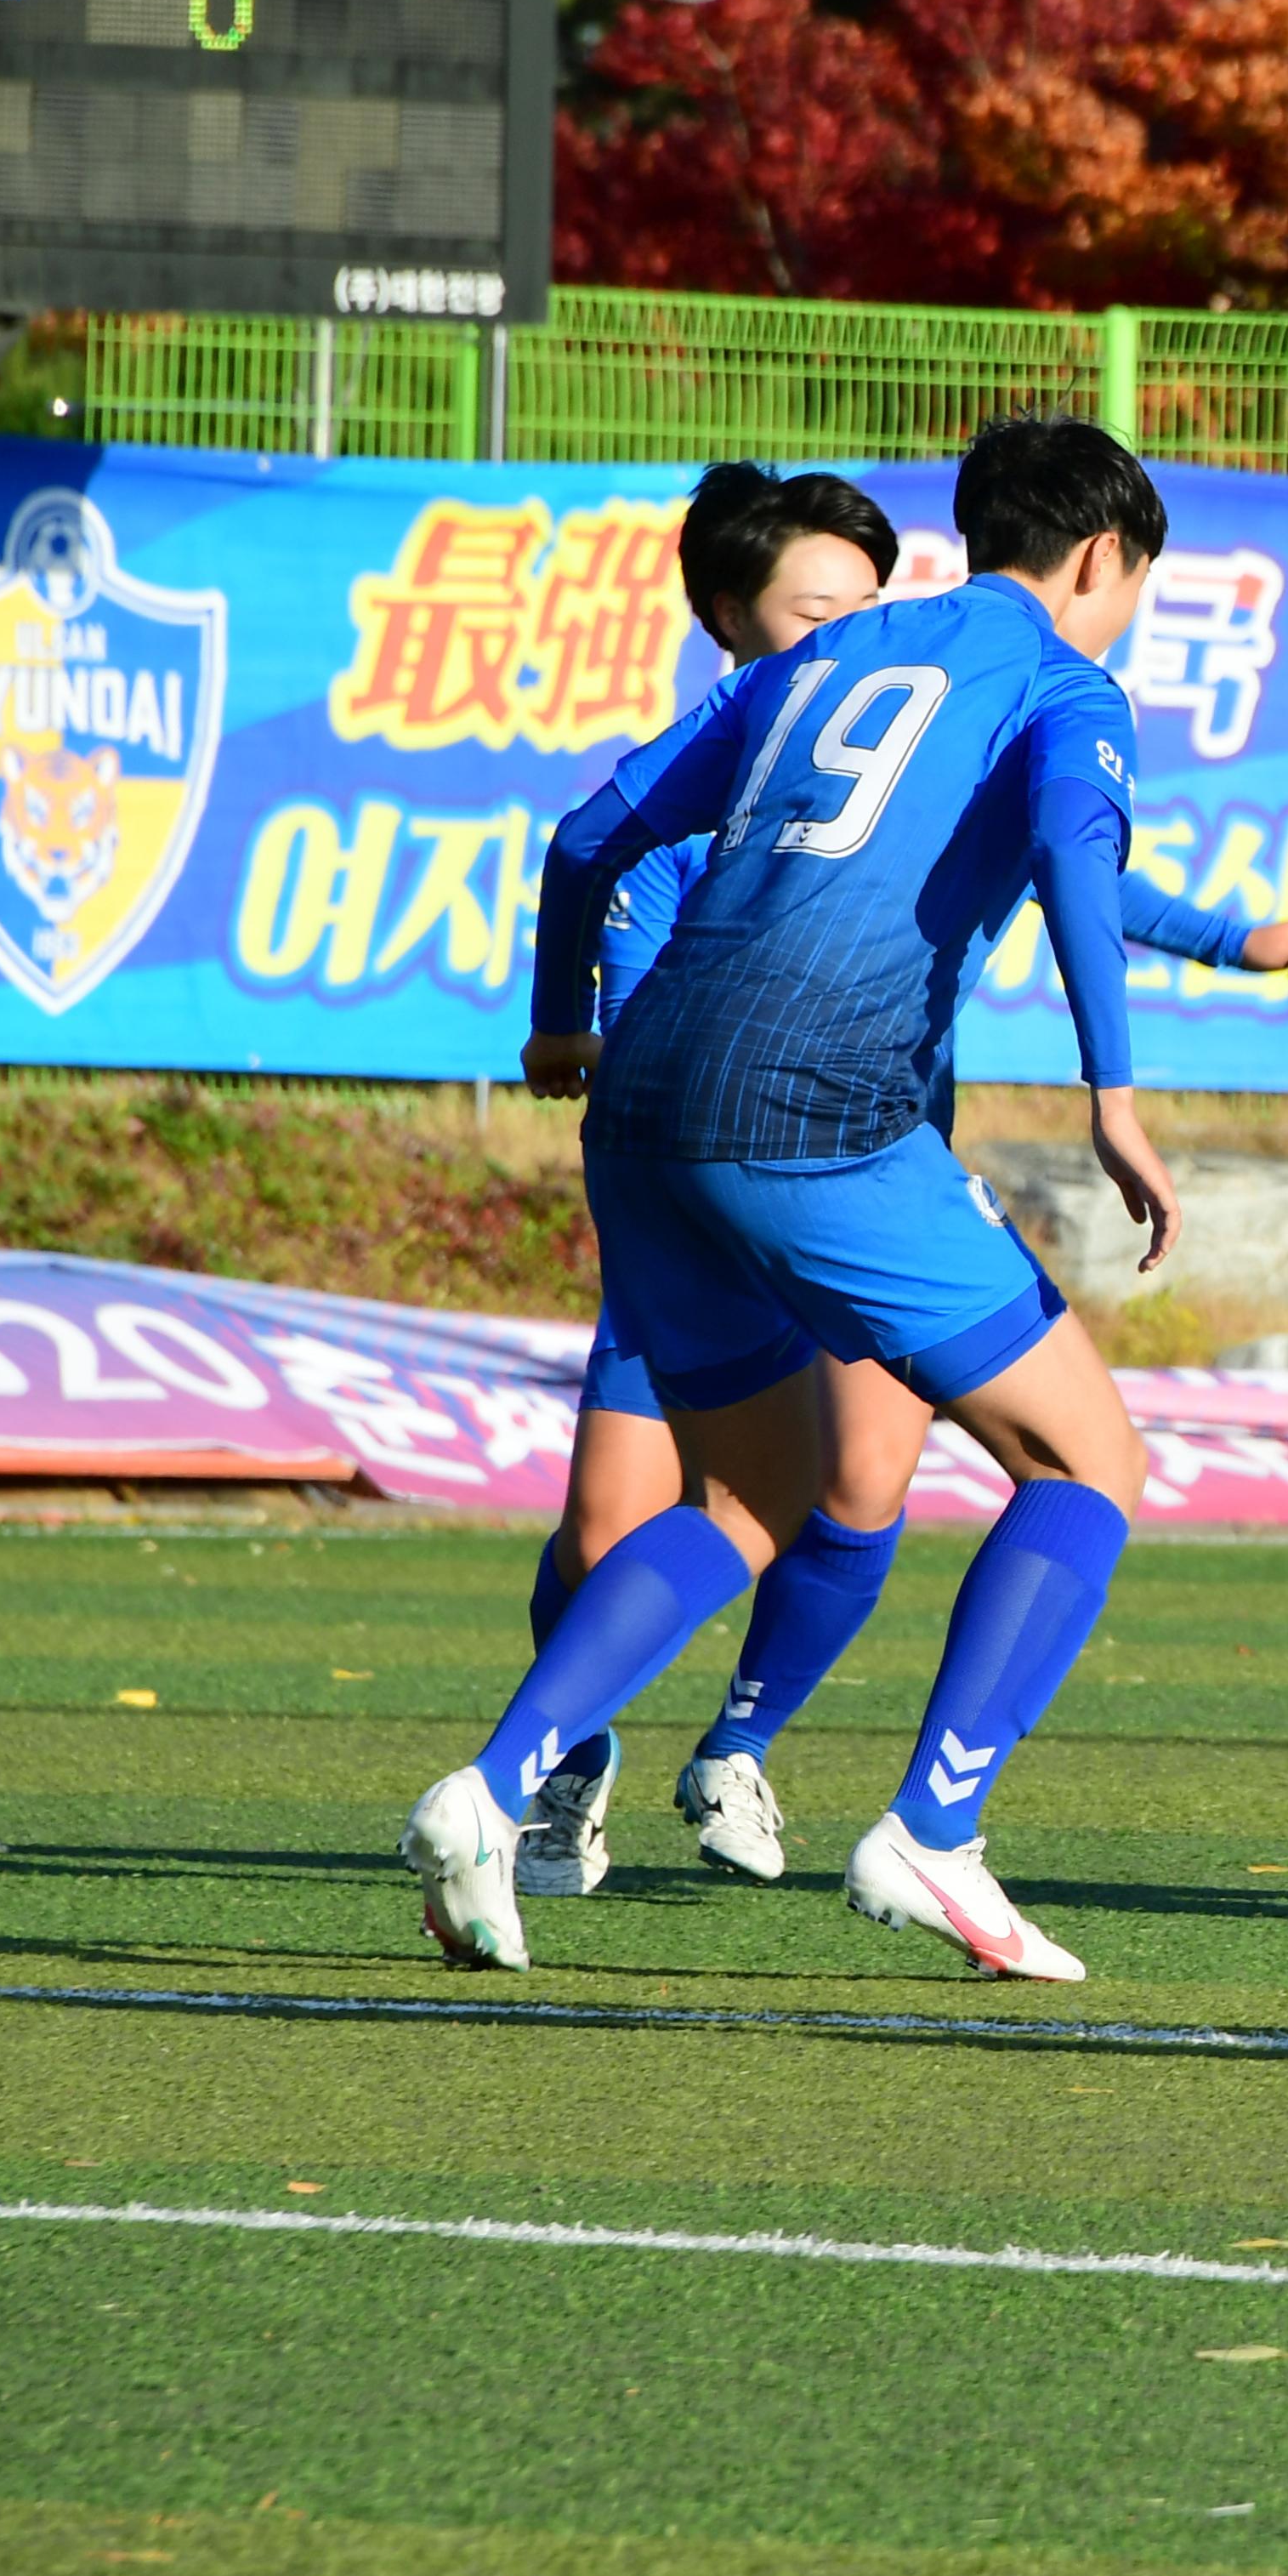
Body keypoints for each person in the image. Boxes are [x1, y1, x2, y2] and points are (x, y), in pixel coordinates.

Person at [409, 414, 1183, 1983]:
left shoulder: (812, 665)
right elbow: (1074, 860)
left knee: (749, 1500)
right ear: (1100, 559)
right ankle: (932, 1834)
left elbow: (584, 840)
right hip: (816, 1112)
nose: (1131, 618)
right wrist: (1114, 1097)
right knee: (1089, 1460)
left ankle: (494, 1795)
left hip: (640, 1110)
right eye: (1136, 587)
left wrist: (561, 1022)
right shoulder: (1061, 681)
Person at [512, 464, 1288, 1902]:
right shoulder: (802, 737)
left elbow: (1066, 866)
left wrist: (1224, 939)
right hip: (759, 1159)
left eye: (856, 597)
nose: (839, 622)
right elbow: (1066, 854)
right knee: (630, 1518)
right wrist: (1118, 1101)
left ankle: (721, 1748)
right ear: (730, 618)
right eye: (809, 604)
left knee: (851, 1487)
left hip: (819, 1159)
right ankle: (585, 1773)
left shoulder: (860, 701)